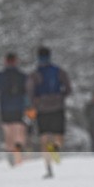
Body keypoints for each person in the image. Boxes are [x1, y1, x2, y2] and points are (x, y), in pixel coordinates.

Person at [26, 46, 72, 178]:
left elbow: (30, 92)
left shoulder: (34, 75)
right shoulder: (59, 71)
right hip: (57, 107)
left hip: (42, 109)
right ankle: (55, 148)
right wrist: (60, 97)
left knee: (44, 138)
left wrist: (35, 104)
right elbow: (68, 89)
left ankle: (48, 168)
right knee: (59, 136)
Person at [0, 53, 28, 165]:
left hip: (5, 107)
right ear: (16, 61)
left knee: (8, 132)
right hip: (18, 107)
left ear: (5, 61)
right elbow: (28, 91)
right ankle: (18, 154)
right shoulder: (22, 76)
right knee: (18, 130)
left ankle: (10, 153)